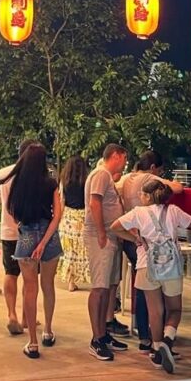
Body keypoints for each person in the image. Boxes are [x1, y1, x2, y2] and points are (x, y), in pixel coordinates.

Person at [112, 178, 191, 374]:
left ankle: (157, 350)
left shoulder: (138, 212)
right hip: (171, 267)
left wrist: (136, 238)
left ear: (148, 196)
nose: (140, 196)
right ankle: (168, 340)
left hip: (145, 265)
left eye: (142, 193)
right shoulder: (173, 211)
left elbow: (115, 226)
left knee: (154, 311)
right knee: (174, 310)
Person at [117, 150, 184, 351]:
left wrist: (134, 237)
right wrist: (169, 182)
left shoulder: (125, 179)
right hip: (154, 243)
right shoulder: (149, 179)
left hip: (135, 237)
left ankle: (145, 337)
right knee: (161, 295)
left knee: (142, 287)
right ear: (153, 167)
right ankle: (162, 338)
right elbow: (177, 188)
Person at [3, 143, 64, 358]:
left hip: (27, 236)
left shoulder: (18, 183)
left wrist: (24, 228)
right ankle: (48, 330)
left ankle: (33, 342)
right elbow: (57, 215)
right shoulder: (51, 183)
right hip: (50, 236)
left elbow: (11, 210)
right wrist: (44, 241)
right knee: (48, 285)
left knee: (30, 289)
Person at [83, 143, 129, 361]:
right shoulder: (101, 174)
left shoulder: (106, 175)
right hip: (100, 236)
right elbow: (95, 203)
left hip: (110, 235)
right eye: (124, 158)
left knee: (108, 286)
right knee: (100, 287)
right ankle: (96, 338)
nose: (125, 163)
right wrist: (101, 232)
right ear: (116, 155)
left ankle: (103, 333)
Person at [0, 139, 35, 336]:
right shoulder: (34, 175)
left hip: (8, 232)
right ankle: (27, 318)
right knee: (29, 277)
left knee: (10, 273)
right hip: (29, 232)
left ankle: (12, 314)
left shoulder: (3, 173)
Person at [57, 155, 90, 292]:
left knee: (69, 252)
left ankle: (71, 281)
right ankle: (86, 276)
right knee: (83, 251)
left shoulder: (64, 182)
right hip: (83, 217)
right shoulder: (87, 181)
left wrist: (58, 220)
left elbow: (62, 202)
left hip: (68, 218)